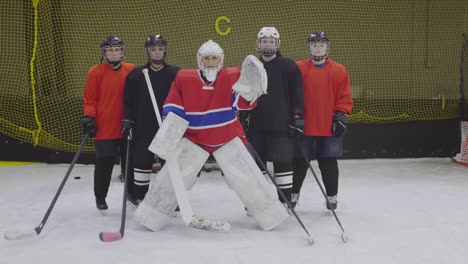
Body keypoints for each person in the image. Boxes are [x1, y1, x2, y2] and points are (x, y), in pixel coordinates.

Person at [135, 40, 289, 232]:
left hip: (226, 136)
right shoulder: (184, 78)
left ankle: (271, 216)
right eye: (206, 58)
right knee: (171, 179)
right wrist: (170, 135)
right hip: (195, 137)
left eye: (214, 58)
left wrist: (252, 90)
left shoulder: (231, 76)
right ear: (199, 60)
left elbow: (242, 104)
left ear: (221, 59)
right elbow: (173, 107)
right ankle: (151, 216)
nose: (210, 62)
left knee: (249, 178)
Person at [292, 32, 353, 210]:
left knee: (328, 162)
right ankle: (293, 194)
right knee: (300, 162)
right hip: (305, 126)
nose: (317, 47)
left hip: (329, 126)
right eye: (314, 44)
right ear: (308, 47)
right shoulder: (299, 68)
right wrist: (296, 117)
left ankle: (332, 196)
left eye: (321, 44)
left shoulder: (339, 70)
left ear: (327, 47)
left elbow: (344, 96)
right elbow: (294, 96)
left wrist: (341, 114)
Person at [246, 27, 303, 209]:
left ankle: (285, 203)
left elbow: (298, 97)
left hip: (281, 126)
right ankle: (256, 203)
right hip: (257, 127)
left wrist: (298, 120)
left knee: (283, 165)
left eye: (271, 41)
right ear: (258, 44)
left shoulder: (289, 66)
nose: (267, 44)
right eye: (264, 41)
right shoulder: (252, 66)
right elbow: (244, 95)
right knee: (256, 166)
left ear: (277, 44)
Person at [122, 35, 180, 206]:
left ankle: (169, 200)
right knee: (141, 162)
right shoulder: (136, 75)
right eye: (153, 49)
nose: (156, 53)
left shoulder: (175, 74)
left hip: (168, 127)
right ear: (147, 51)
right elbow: (128, 101)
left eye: (160, 49)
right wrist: (128, 120)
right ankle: (141, 197)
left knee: (169, 164)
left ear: (165, 51)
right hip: (143, 126)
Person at [81, 36, 136, 212]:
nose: (114, 53)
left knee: (130, 164)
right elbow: (90, 99)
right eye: (110, 50)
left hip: (126, 125)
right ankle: (100, 196)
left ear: (122, 52)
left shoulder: (131, 70)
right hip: (104, 127)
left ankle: (132, 194)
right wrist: (89, 117)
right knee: (104, 163)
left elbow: (137, 97)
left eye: (117, 49)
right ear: (104, 53)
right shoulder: (95, 72)